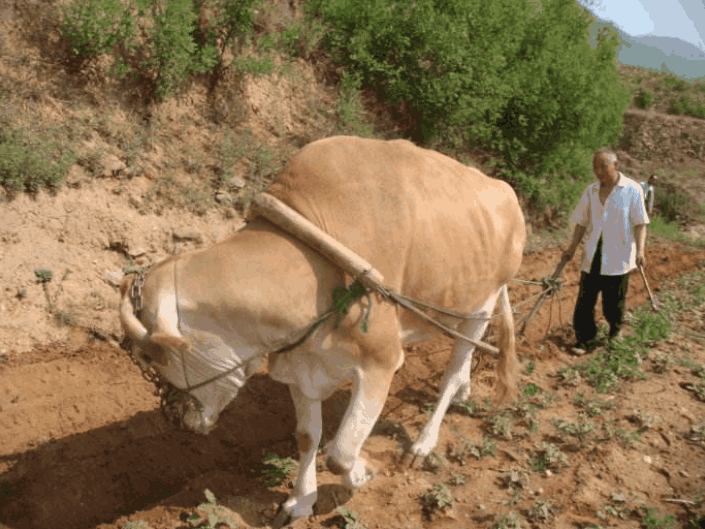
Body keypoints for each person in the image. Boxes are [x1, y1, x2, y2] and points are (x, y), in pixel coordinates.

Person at [562, 149, 650, 354]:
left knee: (614, 302)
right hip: (592, 254)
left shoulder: (632, 189)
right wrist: (572, 248)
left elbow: (640, 224)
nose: (598, 171)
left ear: (616, 166)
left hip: (619, 256)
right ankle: (585, 339)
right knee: (585, 301)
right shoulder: (591, 191)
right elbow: (581, 223)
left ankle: (615, 331)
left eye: (603, 166)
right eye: (595, 167)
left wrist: (640, 251)